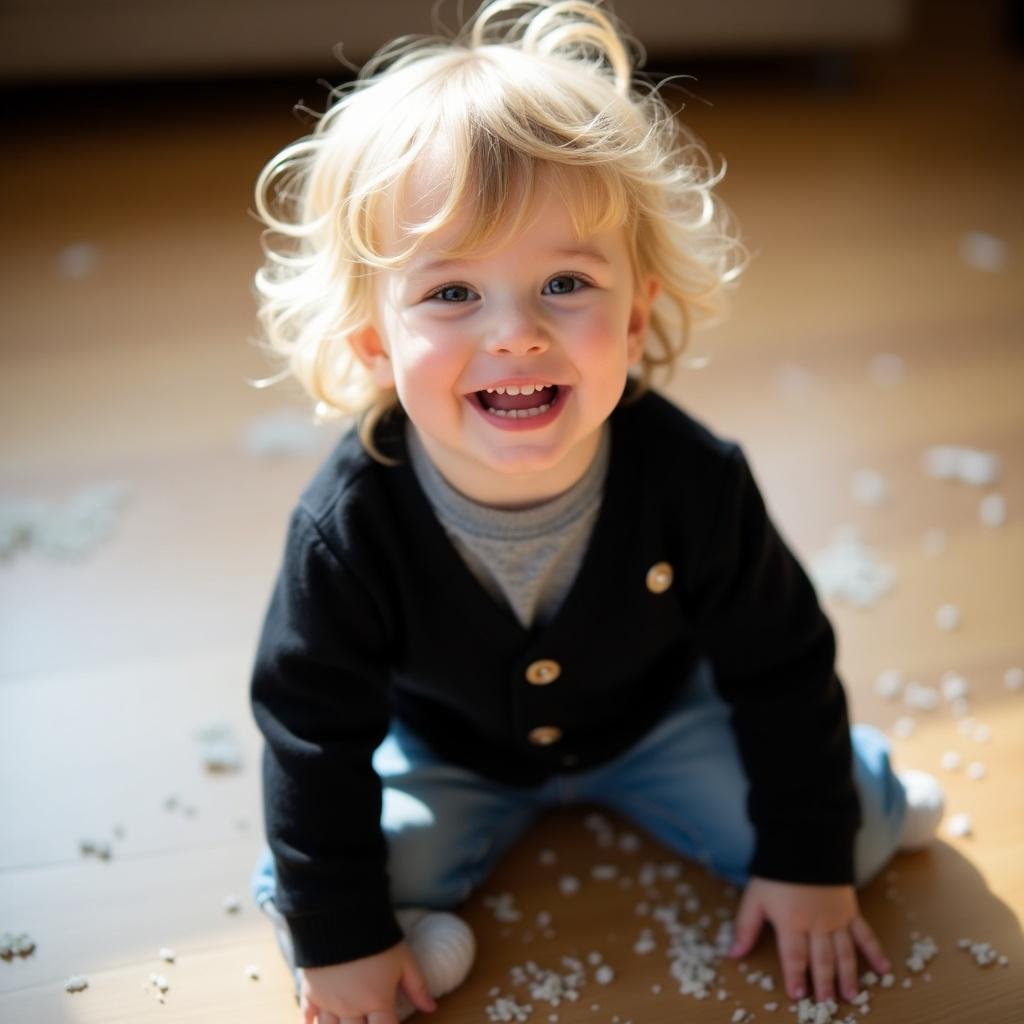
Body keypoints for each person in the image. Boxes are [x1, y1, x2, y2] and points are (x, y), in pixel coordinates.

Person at [248, 2, 945, 1021]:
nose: (516, 334)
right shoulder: (347, 529)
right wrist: (347, 941)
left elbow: (780, 660)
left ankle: (870, 784)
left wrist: (806, 862)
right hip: (451, 750)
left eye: (563, 282)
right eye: (450, 296)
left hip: (658, 722)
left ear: (633, 311)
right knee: (341, 883)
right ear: (370, 341)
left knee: (845, 837)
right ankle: (336, 916)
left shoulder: (692, 479)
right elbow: (311, 732)